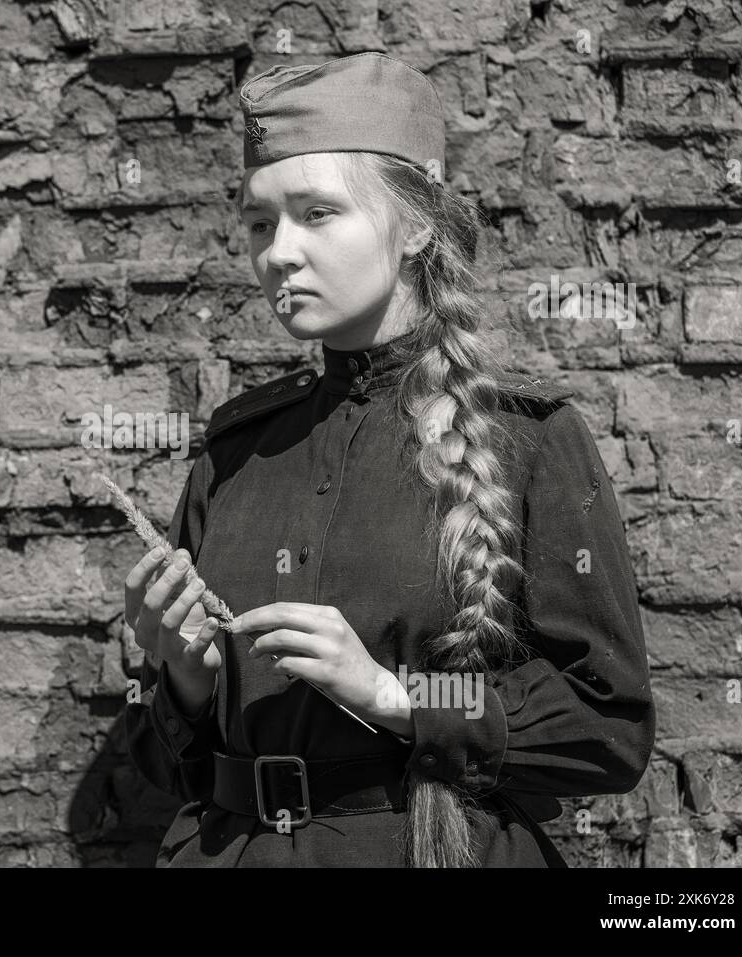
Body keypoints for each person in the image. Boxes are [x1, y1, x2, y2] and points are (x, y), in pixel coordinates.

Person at [121, 52, 656, 867]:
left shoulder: (528, 439)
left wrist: (396, 694)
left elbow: (605, 725)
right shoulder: (236, 452)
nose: (278, 254)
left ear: (415, 227)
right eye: (260, 223)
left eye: (317, 214)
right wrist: (188, 679)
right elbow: (169, 767)